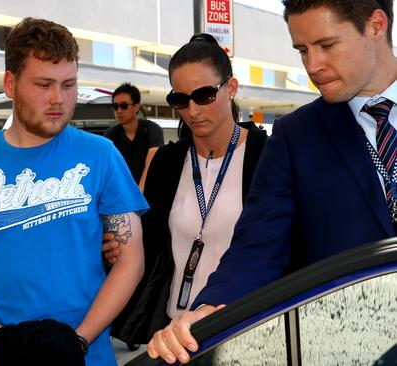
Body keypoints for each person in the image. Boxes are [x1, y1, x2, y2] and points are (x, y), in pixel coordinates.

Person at [146, 0, 397, 364]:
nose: (312, 66)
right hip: (349, 350)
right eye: (301, 50)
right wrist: (212, 309)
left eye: (327, 45)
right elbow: (258, 245)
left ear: (375, 25)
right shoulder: (296, 136)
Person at [0, 17, 148, 366]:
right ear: (10, 84)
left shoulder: (101, 155)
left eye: (69, 84)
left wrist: (80, 341)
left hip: (84, 356)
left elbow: (131, 260)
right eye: (43, 84)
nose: (59, 99)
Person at [106, 34, 267, 346]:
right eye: (180, 100)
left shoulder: (266, 157)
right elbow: (148, 243)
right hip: (174, 334)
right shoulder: (168, 162)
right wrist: (116, 245)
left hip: (246, 328)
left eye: (204, 95)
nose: (192, 109)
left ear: (230, 89)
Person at [104, 83, 164, 191]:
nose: (119, 111)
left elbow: (151, 163)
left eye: (124, 106)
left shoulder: (152, 129)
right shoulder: (111, 134)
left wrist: (138, 194)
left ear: (136, 107)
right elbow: (108, 168)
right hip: (122, 194)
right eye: (115, 106)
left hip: (150, 192)